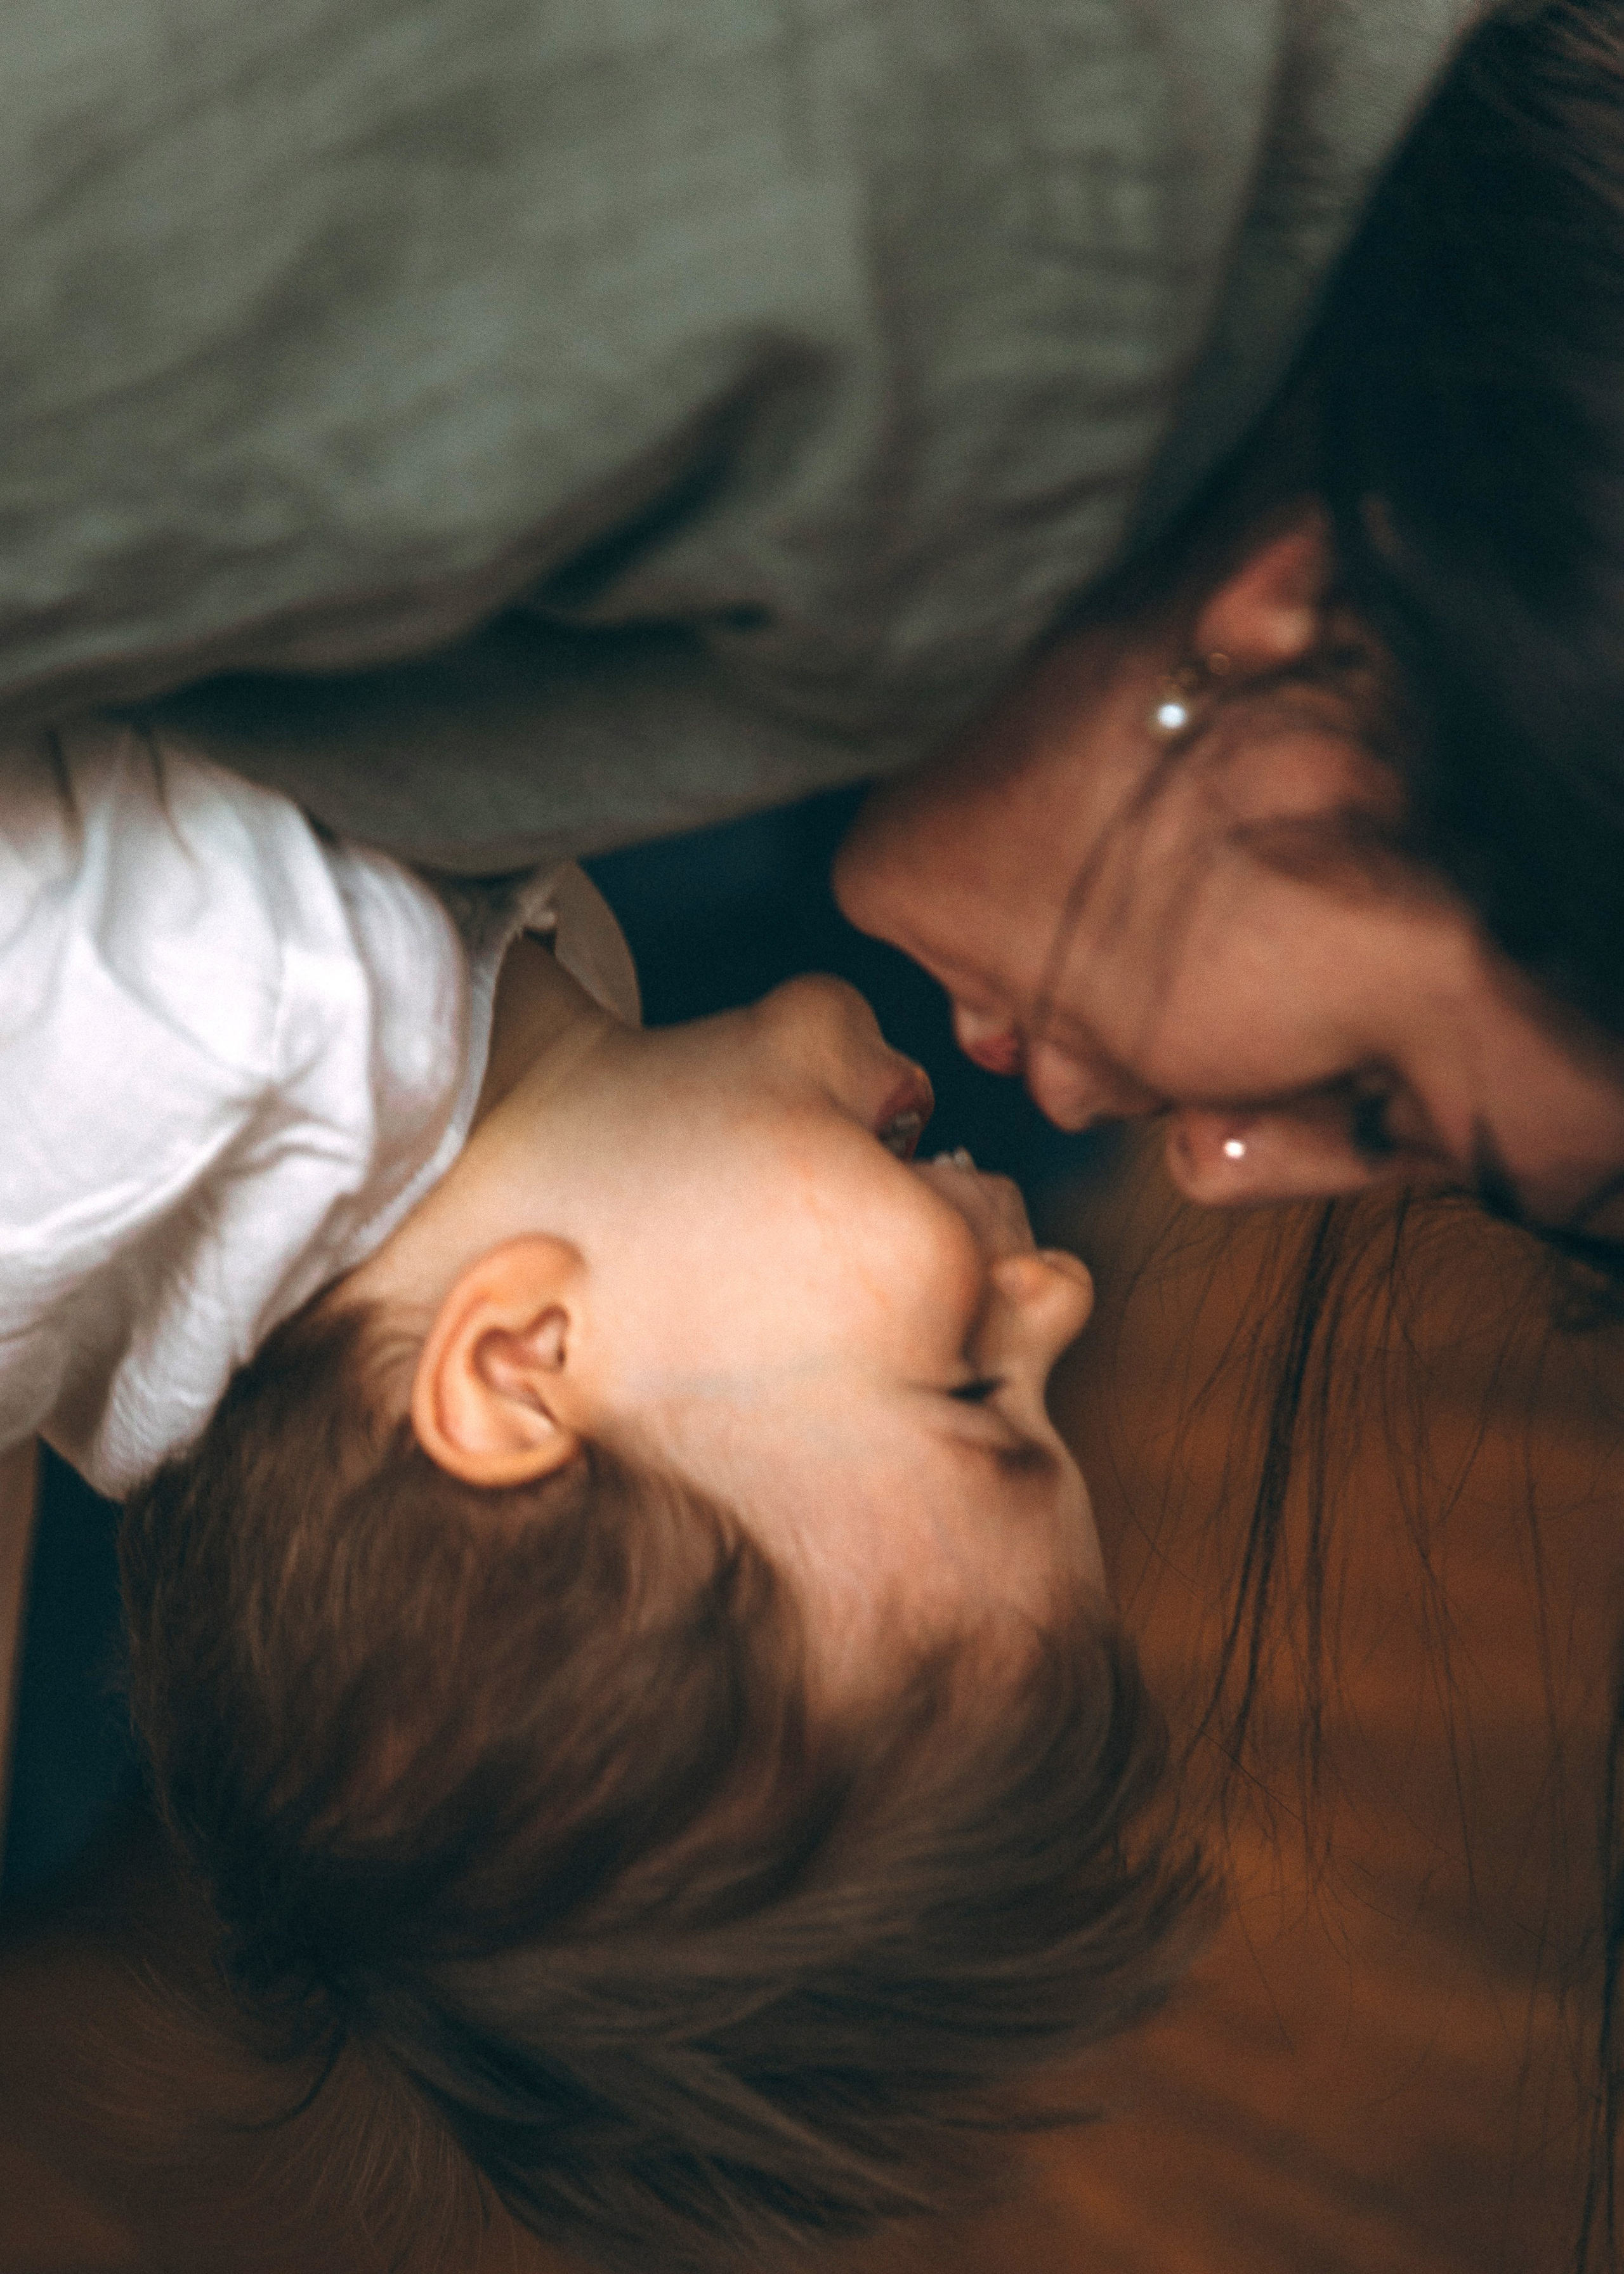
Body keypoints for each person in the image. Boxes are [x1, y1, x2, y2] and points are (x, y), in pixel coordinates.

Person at [0, 720, 1205, 2273]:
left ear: (516, 1369)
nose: (1055, 1293)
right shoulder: (483, 1041)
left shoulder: (173, 1038)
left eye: (972, 1385)